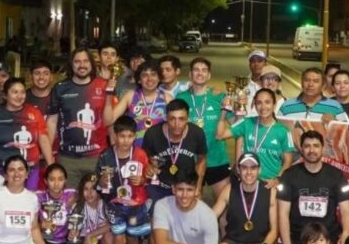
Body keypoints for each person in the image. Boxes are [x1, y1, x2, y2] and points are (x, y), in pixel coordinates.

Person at [142, 99, 208, 244]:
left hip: (185, 188)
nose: (177, 124)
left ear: (188, 118)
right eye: (172, 119)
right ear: (166, 118)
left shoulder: (196, 133)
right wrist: (148, 167)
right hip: (160, 186)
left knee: (186, 226)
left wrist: (198, 186)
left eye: (181, 119)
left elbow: (202, 159)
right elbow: (146, 159)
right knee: (157, 227)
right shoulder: (153, 134)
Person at [212, 152, 284, 244]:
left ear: (259, 170)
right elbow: (211, 216)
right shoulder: (229, 189)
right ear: (238, 170)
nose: (249, 172)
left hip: (259, 242)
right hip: (234, 243)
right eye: (244, 168)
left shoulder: (270, 191)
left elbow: (274, 229)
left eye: (253, 168)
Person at [95, 116, 151, 244]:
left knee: (133, 240)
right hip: (116, 205)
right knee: (119, 241)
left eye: (130, 136)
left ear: (135, 136)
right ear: (115, 136)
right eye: (122, 136)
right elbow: (98, 181)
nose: (126, 141)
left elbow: (149, 177)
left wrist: (142, 180)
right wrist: (102, 181)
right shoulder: (106, 156)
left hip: (136, 205)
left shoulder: (141, 155)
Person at [277, 130, 349, 244]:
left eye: (316, 146)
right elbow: (283, 213)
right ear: (301, 149)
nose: (312, 150)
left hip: (329, 238)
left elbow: (346, 210)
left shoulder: (337, 176)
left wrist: (346, 233)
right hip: (299, 238)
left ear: (323, 148)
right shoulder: (288, 176)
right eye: (307, 146)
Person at [46, 48, 111, 186]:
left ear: (92, 64)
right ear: (71, 64)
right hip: (68, 159)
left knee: (95, 197)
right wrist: (48, 154)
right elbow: (52, 122)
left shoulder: (104, 86)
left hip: (96, 157)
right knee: (69, 197)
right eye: (77, 61)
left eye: (86, 61)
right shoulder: (60, 88)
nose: (82, 65)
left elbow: (110, 122)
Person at [216, 88, 296, 187]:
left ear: (274, 105)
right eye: (259, 103)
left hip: (269, 183)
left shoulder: (283, 131)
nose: (263, 107)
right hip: (247, 181)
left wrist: (277, 179)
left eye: (267, 102)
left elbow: (288, 161)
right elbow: (220, 135)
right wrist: (224, 111)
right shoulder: (246, 123)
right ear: (254, 104)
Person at [176, 57, 230, 199]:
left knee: (223, 202)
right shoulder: (181, 98)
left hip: (217, 158)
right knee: (191, 201)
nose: (200, 73)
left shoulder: (219, 96)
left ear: (209, 75)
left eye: (204, 70)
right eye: (196, 70)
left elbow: (236, 123)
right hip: (190, 159)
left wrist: (238, 105)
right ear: (190, 74)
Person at [36, 163, 87, 244]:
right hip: (43, 240)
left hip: (62, 242)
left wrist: (75, 230)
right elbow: (28, 224)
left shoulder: (72, 194)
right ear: (45, 181)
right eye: (52, 179)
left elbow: (90, 198)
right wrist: (40, 225)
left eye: (60, 179)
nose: (56, 184)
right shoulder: (37, 197)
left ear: (65, 180)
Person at [0, 77, 54, 171]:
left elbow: (43, 139)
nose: (19, 96)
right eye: (15, 92)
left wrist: (50, 165)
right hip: (1, 168)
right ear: (5, 95)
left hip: (30, 168)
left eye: (22, 92)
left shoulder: (34, 112)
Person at [104, 61, 170, 144]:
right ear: (139, 80)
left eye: (153, 74)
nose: (149, 79)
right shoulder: (130, 96)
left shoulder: (167, 98)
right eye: (145, 75)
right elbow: (108, 121)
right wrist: (108, 97)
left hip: (158, 149)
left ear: (159, 78)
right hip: (134, 149)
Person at [277, 67, 349, 130]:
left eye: (315, 81)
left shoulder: (335, 106)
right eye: (307, 80)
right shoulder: (286, 106)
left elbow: (347, 131)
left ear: (323, 85)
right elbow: (275, 129)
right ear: (302, 83)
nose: (310, 84)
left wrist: (335, 122)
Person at [75, 172, 113, 244]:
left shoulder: (105, 204)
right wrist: (73, 233)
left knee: (110, 237)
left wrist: (90, 235)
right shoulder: (79, 207)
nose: (89, 193)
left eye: (93, 189)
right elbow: (75, 229)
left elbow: (111, 224)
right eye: (86, 189)